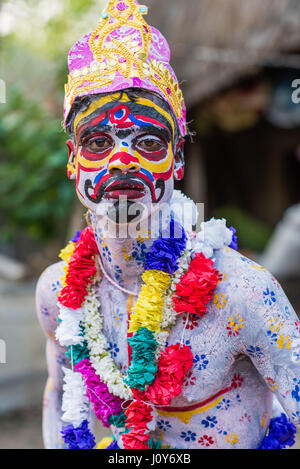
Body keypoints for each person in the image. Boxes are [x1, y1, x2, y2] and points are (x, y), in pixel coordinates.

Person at [36, 0, 300, 450]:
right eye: (98, 142)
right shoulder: (58, 293)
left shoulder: (241, 293)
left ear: (176, 160)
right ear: (73, 162)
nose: (123, 161)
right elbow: (59, 394)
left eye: (149, 142)